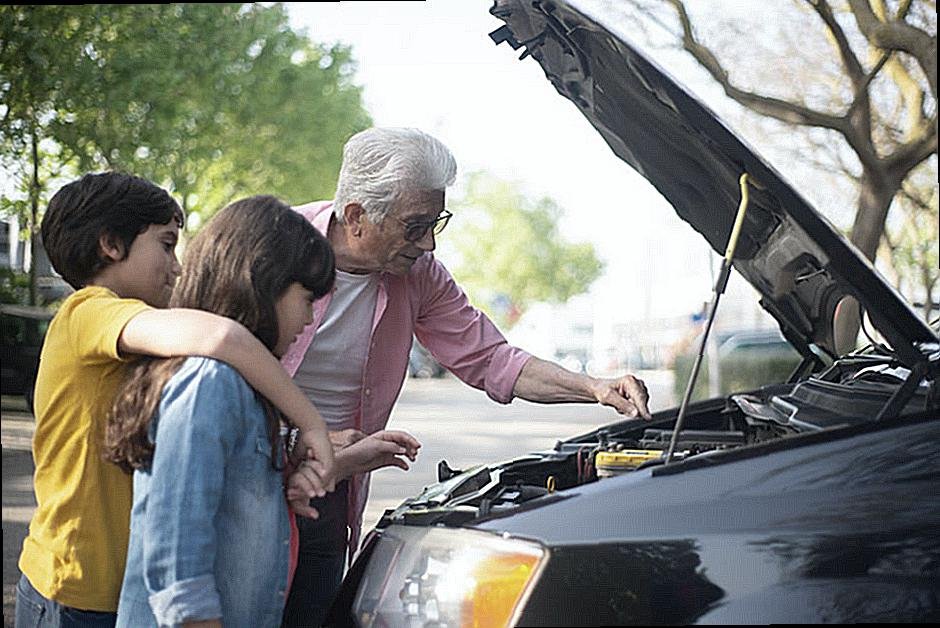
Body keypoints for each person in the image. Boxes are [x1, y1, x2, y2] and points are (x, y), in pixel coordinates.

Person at [280, 127, 652, 626]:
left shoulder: (420, 275)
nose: (429, 243)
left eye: (437, 223)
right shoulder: (275, 244)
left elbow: (492, 358)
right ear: (356, 216)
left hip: (334, 486)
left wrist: (594, 388)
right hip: (250, 476)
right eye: (415, 226)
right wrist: (301, 438)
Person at [15, 174, 335, 628]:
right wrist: (312, 422)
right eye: (166, 245)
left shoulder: (140, 331)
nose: (179, 266)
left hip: (108, 588)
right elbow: (223, 335)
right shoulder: (86, 312)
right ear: (111, 244)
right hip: (74, 591)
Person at [106, 196, 420, 627]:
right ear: (262, 284)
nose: (309, 319)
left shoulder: (246, 388)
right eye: (306, 299)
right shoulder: (209, 384)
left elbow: (232, 504)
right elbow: (177, 559)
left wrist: (295, 484)